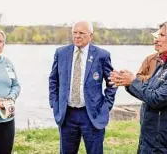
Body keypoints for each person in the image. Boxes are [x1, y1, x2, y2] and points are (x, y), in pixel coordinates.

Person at [109, 20, 167, 153]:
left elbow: (156, 99)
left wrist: (133, 82)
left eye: (162, 35)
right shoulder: (163, 64)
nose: (156, 40)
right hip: (149, 139)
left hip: (165, 143)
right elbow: (148, 90)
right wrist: (127, 81)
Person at [49, 21, 117, 154]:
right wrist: (54, 103)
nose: (77, 36)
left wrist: (106, 106)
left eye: (81, 33)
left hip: (91, 115)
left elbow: (112, 82)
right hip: (67, 114)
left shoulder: (101, 55)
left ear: (91, 36)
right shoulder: (61, 53)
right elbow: (53, 80)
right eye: (75, 32)